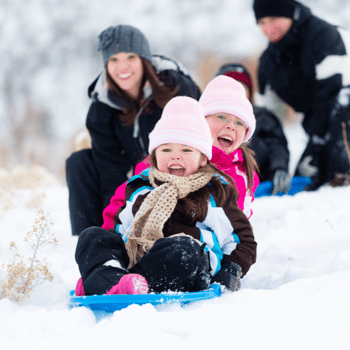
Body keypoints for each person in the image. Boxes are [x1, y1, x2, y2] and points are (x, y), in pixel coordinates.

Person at [74, 96, 257, 296]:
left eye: (186, 149)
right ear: (154, 156)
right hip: (136, 259)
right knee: (92, 236)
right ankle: (111, 279)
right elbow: (118, 229)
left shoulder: (216, 192)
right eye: (166, 149)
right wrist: (103, 254)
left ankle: (110, 283)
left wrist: (231, 270)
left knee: (184, 249)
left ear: (203, 158)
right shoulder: (139, 187)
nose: (175, 156)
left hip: (188, 266)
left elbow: (242, 241)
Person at [65, 25, 201, 236]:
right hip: (135, 172)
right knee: (79, 162)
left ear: (144, 59)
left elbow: (197, 143)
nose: (122, 67)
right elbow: (109, 168)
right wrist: (114, 219)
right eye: (113, 59)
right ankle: (91, 237)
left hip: (179, 169)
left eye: (130, 57)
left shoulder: (177, 88)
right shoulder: (101, 106)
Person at [101, 75, 260, 231]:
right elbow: (125, 197)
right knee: (92, 238)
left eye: (239, 122)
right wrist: (110, 233)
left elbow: (239, 226)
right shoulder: (170, 154)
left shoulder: (245, 175)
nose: (231, 126)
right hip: (152, 234)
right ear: (202, 121)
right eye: (221, 116)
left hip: (202, 246)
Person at [253, 0, 350, 190]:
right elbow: (263, 113)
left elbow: (331, 95)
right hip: (318, 124)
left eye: (274, 18)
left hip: (342, 114)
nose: (268, 27)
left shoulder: (324, 36)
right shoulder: (269, 60)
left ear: (291, 14)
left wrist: (316, 143)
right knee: (305, 179)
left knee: (335, 169)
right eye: (262, 22)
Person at [215, 63, 291, 194]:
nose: (236, 94)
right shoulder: (208, 119)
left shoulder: (262, 117)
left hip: (259, 182)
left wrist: (279, 168)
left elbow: (276, 146)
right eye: (230, 88)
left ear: (249, 92)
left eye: (241, 88)